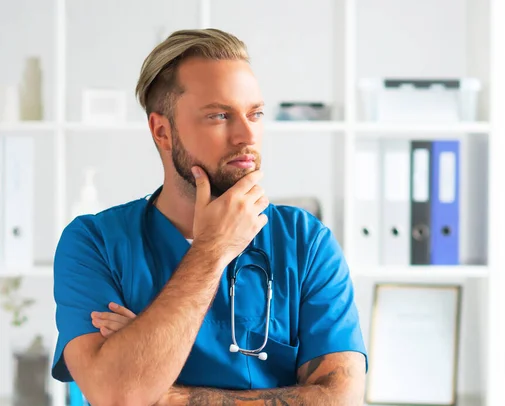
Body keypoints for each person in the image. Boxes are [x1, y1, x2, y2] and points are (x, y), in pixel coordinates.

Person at [52, 28, 367, 405]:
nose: (246, 134)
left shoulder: (305, 242)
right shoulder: (95, 243)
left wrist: (166, 395)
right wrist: (213, 249)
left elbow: (339, 400)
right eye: (219, 116)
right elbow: (119, 395)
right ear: (162, 131)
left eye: (256, 113)